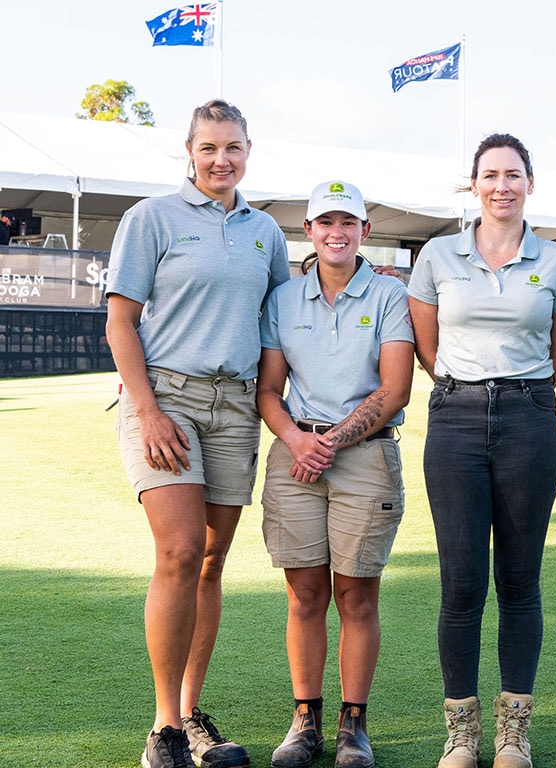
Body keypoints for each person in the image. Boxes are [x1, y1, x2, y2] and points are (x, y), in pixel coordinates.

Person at [105, 99, 290, 768]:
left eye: (233, 147)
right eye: (209, 147)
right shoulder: (150, 218)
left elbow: (278, 324)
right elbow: (121, 321)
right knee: (180, 551)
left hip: (236, 405)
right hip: (168, 397)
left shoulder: (266, 232)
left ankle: (191, 712)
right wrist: (148, 409)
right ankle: (165, 732)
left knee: (211, 561)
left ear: (248, 150)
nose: (221, 159)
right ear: (189, 151)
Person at [407, 133, 556, 768]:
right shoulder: (437, 255)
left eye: (513, 174)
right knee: (460, 583)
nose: (502, 185)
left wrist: (519, 392)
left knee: (518, 579)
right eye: (490, 174)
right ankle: (462, 732)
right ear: (474, 183)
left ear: (530, 183)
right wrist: (467, 391)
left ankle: (514, 731)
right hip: (454, 420)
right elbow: (427, 348)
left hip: (529, 419)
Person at [257, 180, 414, 768]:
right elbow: (268, 389)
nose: (337, 233)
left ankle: (353, 725)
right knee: (304, 595)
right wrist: (300, 440)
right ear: (310, 230)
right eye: (326, 222)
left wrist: (329, 442)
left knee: (356, 594)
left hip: (365, 454)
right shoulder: (284, 300)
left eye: (348, 222)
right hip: (295, 451)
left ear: (365, 232)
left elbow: (395, 388)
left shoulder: (389, 296)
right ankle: (305, 721)